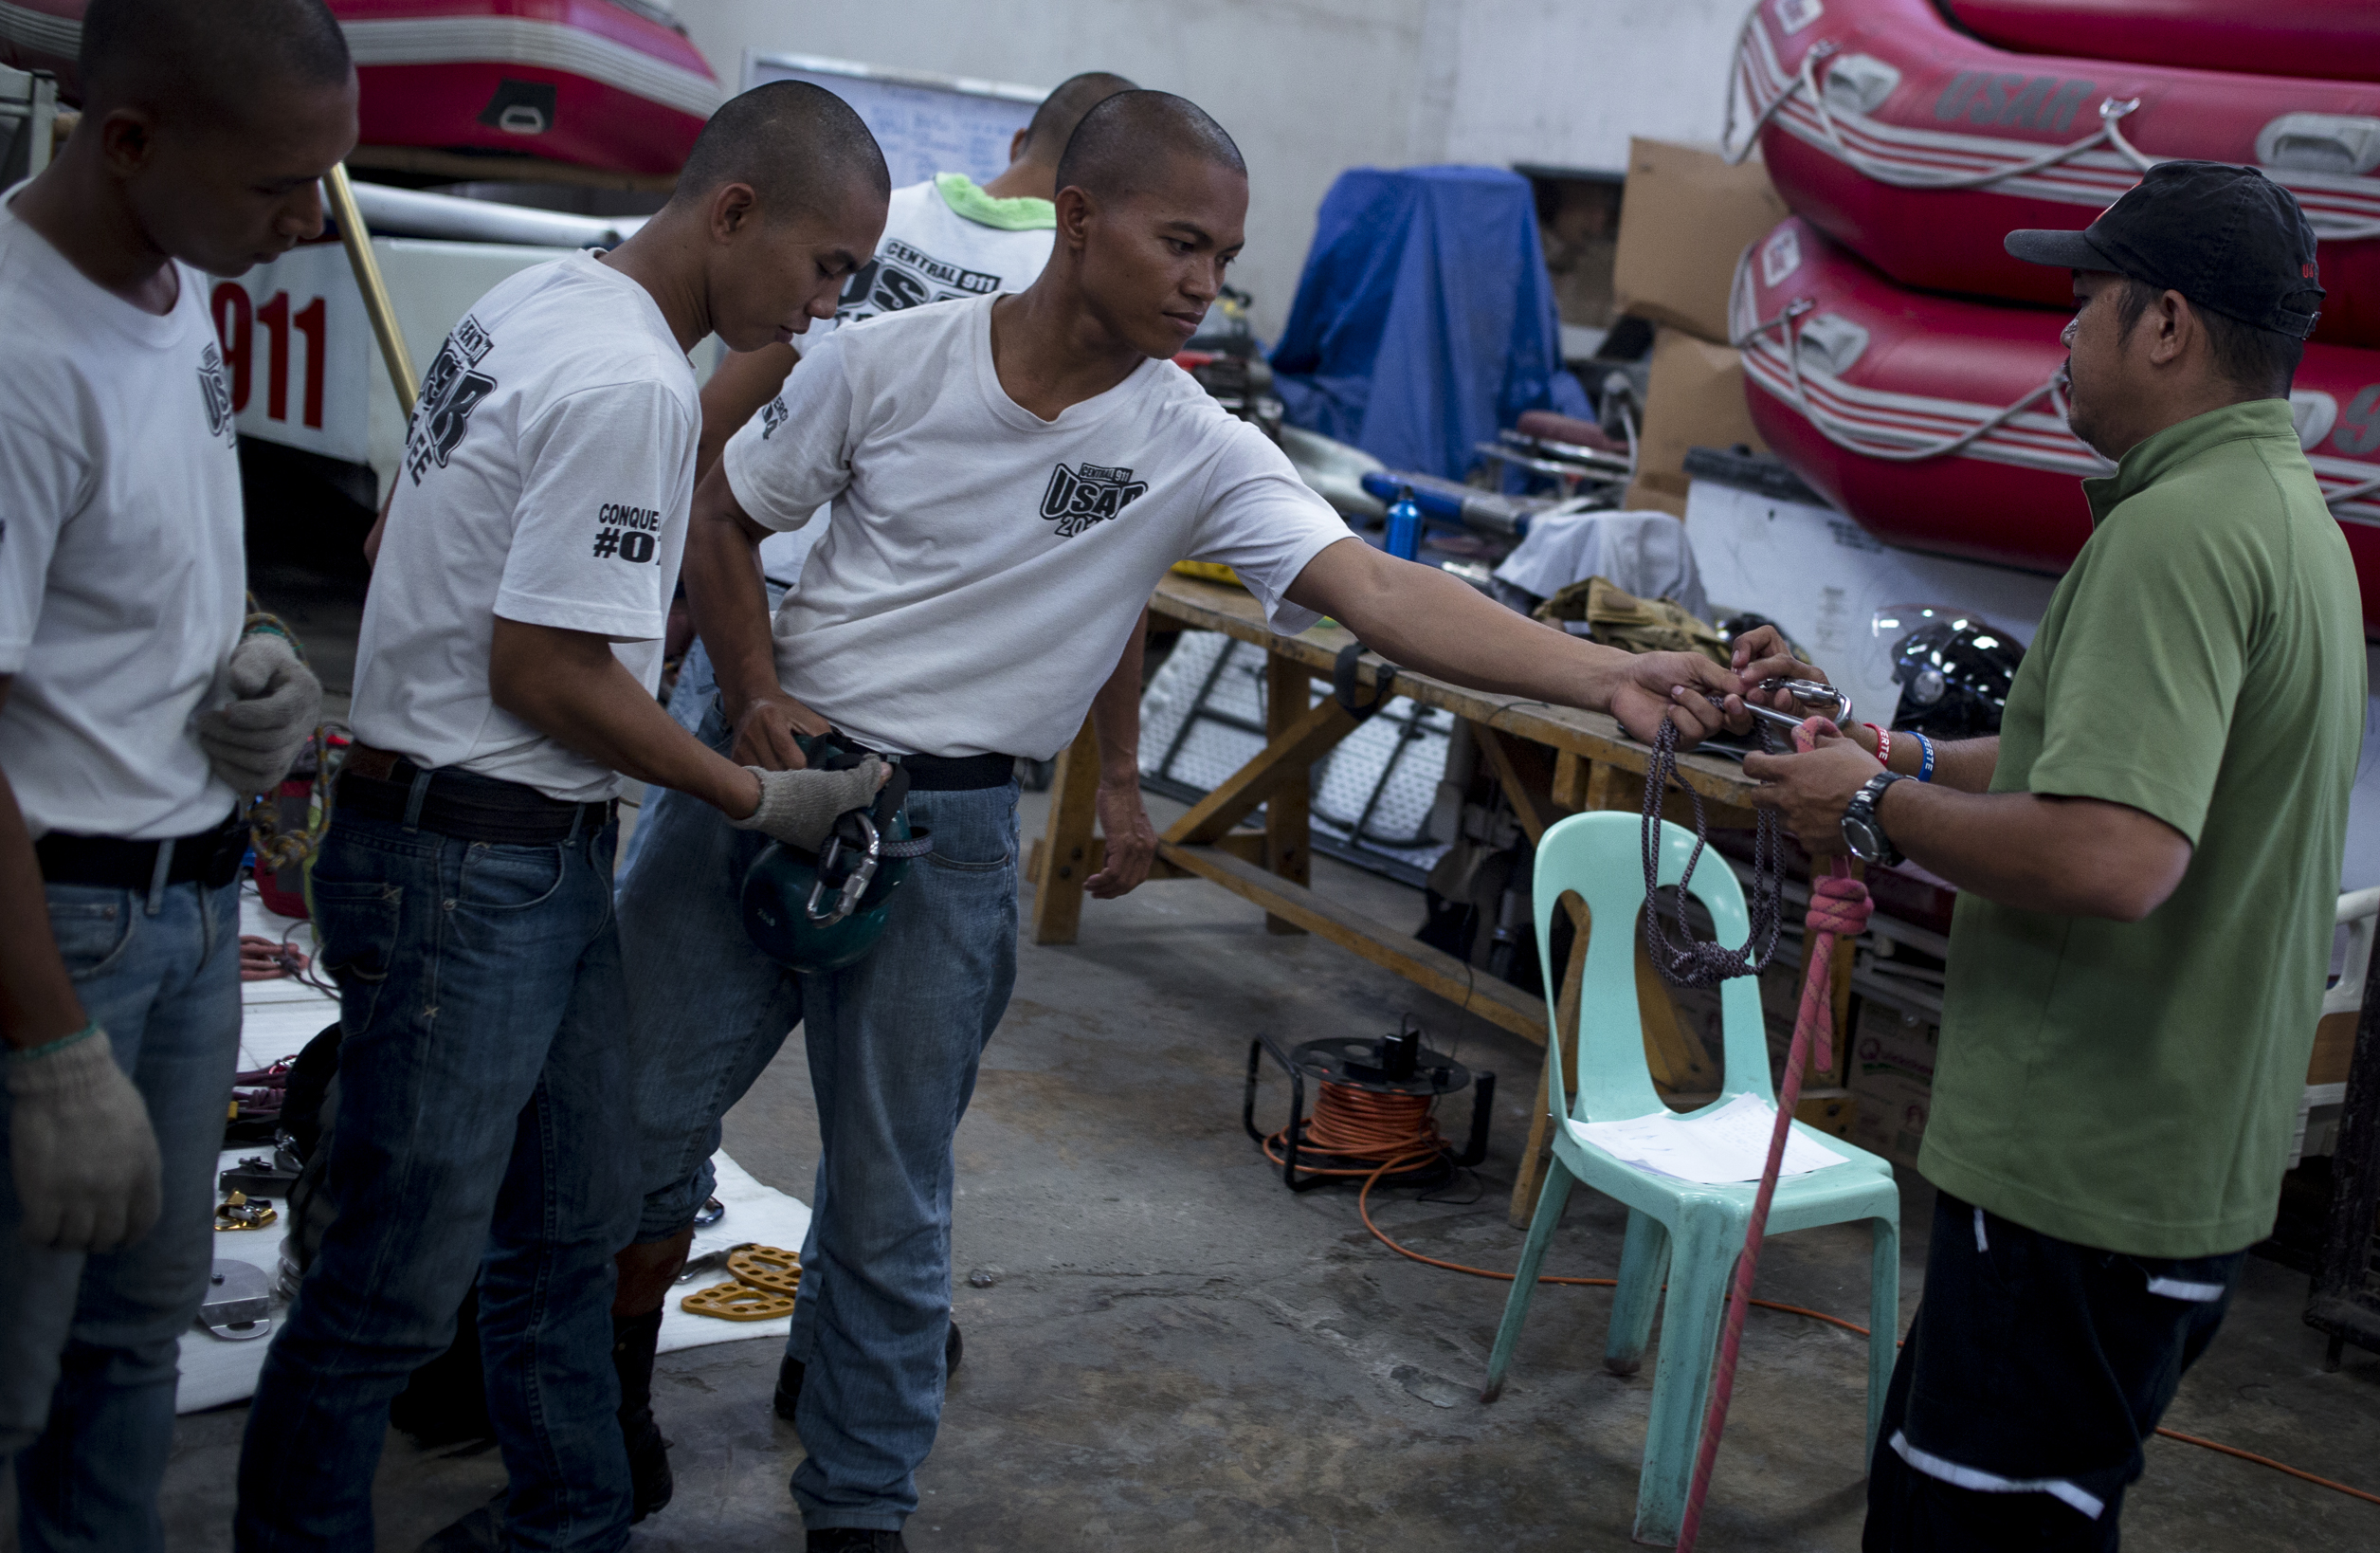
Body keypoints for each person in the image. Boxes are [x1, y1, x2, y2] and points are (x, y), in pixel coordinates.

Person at [607, 90, 1744, 1551]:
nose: (1207, 280)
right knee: (624, 1129)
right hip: (764, 793)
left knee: (891, 1217)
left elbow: (1388, 593)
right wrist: (752, 695)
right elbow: (726, 516)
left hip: (939, 843)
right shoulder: (884, 365)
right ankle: (599, 1443)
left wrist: (1609, 675)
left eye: (1228, 254)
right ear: (1078, 221)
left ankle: (857, 1515)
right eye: (1182, 241)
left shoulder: (1195, 444)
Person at [233, 82, 900, 1553]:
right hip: (469, 862)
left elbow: (392, 528)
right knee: (393, 1288)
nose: (825, 307)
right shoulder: (633, 387)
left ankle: (573, 1518)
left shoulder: (535, 299)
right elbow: (541, 670)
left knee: (571, 1218)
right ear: (734, 212)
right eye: (825, 266)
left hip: (509, 851)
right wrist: (751, 791)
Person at [1739, 163, 2366, 1552]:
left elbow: (2112, 854)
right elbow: (2082, 772)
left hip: (2086, 1161)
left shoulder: (2176, 536)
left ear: (2166, 325)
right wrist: (1881, 753)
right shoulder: (2278, 513)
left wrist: (1860, 815)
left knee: (1969, 1534)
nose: (2062, 339)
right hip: (2170, 1155)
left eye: (2082, 305)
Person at [0, 0, 342, 1552]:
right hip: (57, 930)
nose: (312, 226)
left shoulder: (185, 281)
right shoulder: (14, 356)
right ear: (124, 137)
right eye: (284, 187)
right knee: (9, 1374)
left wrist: (257, 644)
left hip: (194, 910)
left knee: (134, 1346)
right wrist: (52, 1047)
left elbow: (163, 567)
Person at [627, 69, 1148, 889]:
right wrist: (1120, 771)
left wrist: (664, 586)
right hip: (930, 691)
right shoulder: (1072, 296)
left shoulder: (869, 218)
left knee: (685, 906)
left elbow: (711, 425)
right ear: (1097, 210)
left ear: (1018, 145)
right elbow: (1111, 561)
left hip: (752, 620)